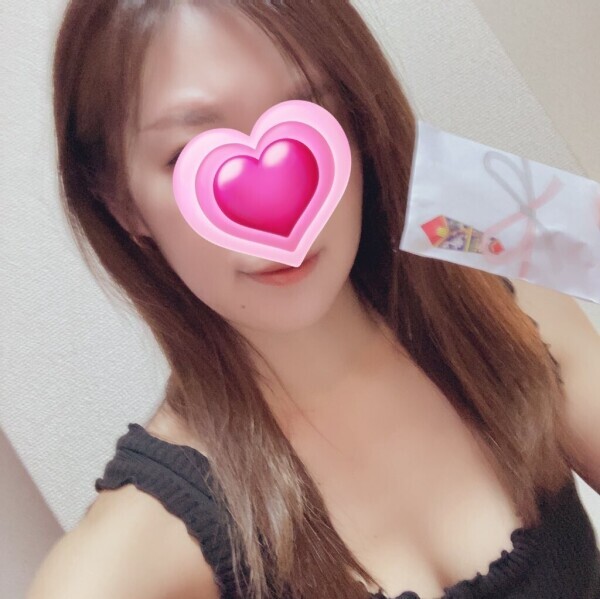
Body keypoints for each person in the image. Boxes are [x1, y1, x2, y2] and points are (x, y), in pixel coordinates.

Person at [27, 1, 600, 598]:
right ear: (121, 200)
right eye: (188, 155)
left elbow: (566, 233)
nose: (281, 211)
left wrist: (515, 218)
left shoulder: (507, 314)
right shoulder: (138, 550)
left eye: (310, 117)